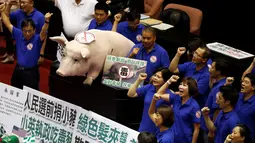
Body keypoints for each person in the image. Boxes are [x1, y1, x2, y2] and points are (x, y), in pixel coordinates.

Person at [0, 2, 52, 90]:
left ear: (34, 30)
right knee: (15, 92)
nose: (27, 33)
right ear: (22, 30)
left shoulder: (37, 38)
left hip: (31, 73)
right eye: (25, 31)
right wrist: (2, 11)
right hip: (18, 71)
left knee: (31, 95)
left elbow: (43, 31)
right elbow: (7, 23)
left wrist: (46, 21)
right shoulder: (18, 34)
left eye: (29, 31)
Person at [157, 75, 201, 143]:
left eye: (184, 85)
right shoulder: (176, 98)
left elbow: (196, 129)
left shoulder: (194, 106)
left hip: (184, 140)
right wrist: (169, 81)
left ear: (191, 88)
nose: (180, 86)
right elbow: (158, 94)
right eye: (180, 84)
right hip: (170, 138)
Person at [127, 68, 172, 134]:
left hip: (159, 129)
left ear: (165, 81)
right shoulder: (149, 87)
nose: (155, 78)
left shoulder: (169, 94)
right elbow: (130, 94)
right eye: (155, 75)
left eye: (158, 77)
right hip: (144, 126)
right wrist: (139, 80)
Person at [200, 58, 232, 143]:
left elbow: (218, 110)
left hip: (210, 130)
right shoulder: (219, 83)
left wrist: (212, 131)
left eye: (212, 68)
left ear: (218, 72)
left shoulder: (220, 88)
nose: (209, 69)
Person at [235, 73, 255, 142]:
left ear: (253, 87)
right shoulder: (239, 95)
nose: (242, 84)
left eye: (246, 82)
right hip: (234, 137)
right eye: (243, 81)